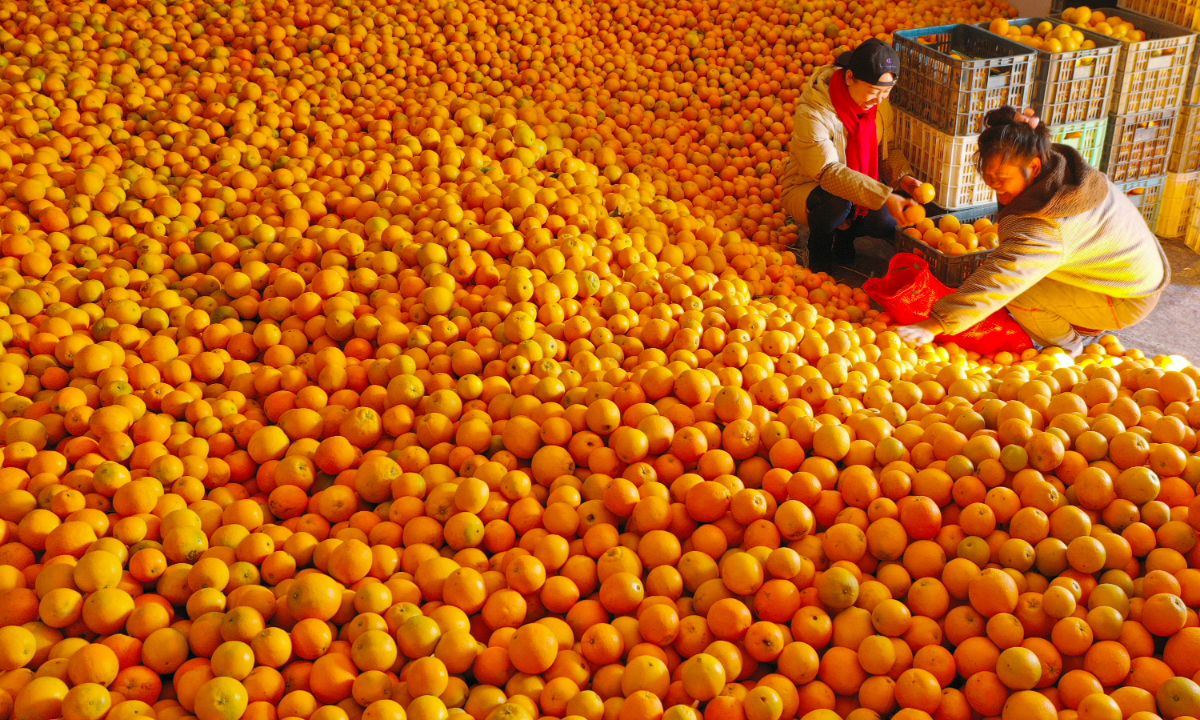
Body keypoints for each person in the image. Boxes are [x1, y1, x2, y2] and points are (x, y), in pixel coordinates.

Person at [897, 107, 1171, 355]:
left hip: (1127, 295)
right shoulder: (1059, 166)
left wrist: (935, 325)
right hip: (1125, 271)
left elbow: (1001, 280)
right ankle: (1080, 319)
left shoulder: (1049, 223)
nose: (996, 187)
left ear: (1034, 166)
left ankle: (1069, 350)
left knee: (1020, 293)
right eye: (989, 178)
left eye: (1002, 179)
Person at [780, 39, 923, 274]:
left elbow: (886, 149)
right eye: (873, 92)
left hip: (858, 185)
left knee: (886, 221)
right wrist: (884, 195)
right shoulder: (814, 112)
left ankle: (846, 237)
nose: (878, 100)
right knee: (837, 202)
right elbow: (828, 173)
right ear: (849, 78)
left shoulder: (878, 106)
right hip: (811, 186)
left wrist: (904, 178)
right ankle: (819, 249)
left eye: (886, 93)